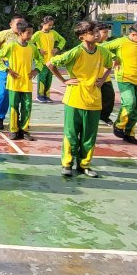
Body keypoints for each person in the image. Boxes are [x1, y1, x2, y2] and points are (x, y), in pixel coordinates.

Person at [47, 21, 114, 178]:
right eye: (92, 32)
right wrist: (64, 81)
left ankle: (84, 164)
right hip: (75, 99)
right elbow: (50, 63)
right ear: (82, 37)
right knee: (71, 134)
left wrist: (102, 79)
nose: (97, 34)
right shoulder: (76, 52)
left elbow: (109, 66)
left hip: (94, 100)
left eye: (97, 31)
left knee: (89, 136)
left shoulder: (103, 52)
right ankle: (67, 163)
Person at [103, 20, 137, 145]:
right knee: (130, 103)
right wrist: (114, 57)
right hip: (125, 77)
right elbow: (102, 48)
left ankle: (129, 133)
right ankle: (119, 125)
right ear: (133, 34)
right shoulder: (122, 42)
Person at [0, 22, 44, 140]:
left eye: (31, 32)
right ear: (20, 33)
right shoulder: (11, 46)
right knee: (14, 106)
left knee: (27, 106)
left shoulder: (32, 47)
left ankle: (24, 130)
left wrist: (36, 70)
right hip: (14, 82)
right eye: (28, 33)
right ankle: (14, 129)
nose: (31, 35)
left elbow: (40, 60)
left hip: (27, 82)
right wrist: (6, 69)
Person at [0, 14, 26, 131]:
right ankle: (0, 117)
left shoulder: (25, 35)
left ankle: (16, 120)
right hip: (6, 66)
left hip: (20, 67)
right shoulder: (5, 34)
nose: (20, 26)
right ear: (11, 24)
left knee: (19, 94)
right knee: (3, 93)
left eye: (22, 24)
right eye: (18, 24)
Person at [30, 16, 66, 103]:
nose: (51, 27)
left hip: (51, 60)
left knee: (49, 77)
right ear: (43, 24)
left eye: (52, 25)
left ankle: (47, 95)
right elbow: (29, 42)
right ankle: (40, 95)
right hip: (42, 60)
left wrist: (57, 48)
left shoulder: (53, 33)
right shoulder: (38, 34)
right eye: (49, 25)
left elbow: (62, 40)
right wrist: (38, 49)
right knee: (42, 77)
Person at [96, 23, 115, 126]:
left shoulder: (107, 45)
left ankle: (104, 116)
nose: (106, 34)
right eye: (104, 32)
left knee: (109, 97)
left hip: (105, 77)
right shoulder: (92, 45)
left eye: (107, 32)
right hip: (93, 77)